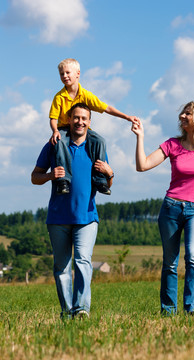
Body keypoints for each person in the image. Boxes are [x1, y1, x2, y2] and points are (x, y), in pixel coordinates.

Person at [131, 101, 194, 315]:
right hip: (171, 209)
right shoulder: (172, 144)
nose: (182, 116)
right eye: (182, 112)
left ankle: (192, 308)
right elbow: (142, 165)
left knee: (192, 256)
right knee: (170, 263)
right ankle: (168, 310)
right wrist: (140, 137)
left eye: (187, 113)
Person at [32, 103, 114, 319]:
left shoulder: (96, 146)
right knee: (62, 267)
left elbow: (108, 183)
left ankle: (81, 309)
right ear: (69, 119)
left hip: (87, 217)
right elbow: (34, 177)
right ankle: (67, 311)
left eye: (84, 118)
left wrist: (110, 172)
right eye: (76, 118)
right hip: (58, 218)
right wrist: (51, 175)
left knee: (83, 261)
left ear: (89, 121)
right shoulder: (54, 145)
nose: (80, 122)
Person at [49, 58, 138, 195]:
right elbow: (53, 118)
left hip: (83, 130)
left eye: (67, 72)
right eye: (61, 74)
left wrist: (127, 117)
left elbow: (106, 108)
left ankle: (99, 180)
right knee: (59, 141)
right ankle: (63, 180)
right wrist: (55, 131)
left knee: (100, 140)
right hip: (65, 129)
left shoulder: (85, 95)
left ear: (78, 74)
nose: (64, 76)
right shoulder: (59, 97)